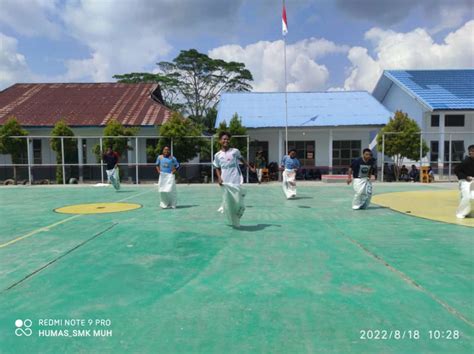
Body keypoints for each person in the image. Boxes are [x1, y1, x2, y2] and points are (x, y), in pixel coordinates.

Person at [213, 131, 255, 227]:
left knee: (238, 200)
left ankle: (238, 213)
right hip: (225, 181)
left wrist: (250, 167)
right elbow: (216, 167)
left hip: (236, 178)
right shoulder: (217, 155)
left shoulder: (235, 151)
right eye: (224, 139)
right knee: (229, 201)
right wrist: (219, 178)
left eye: (227, 139)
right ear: (220, 141)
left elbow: (242, 160)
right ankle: (233, 220)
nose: (226, 141)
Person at [454, 145, 474, 219]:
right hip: (464, 181)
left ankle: (468, 211)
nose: (471, 152)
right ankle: (461, 213)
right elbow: (456, 170)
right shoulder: (465, 161)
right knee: (466, 196)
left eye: (473, 151)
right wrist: (466, 177)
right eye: (470, 151)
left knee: (472, 196)